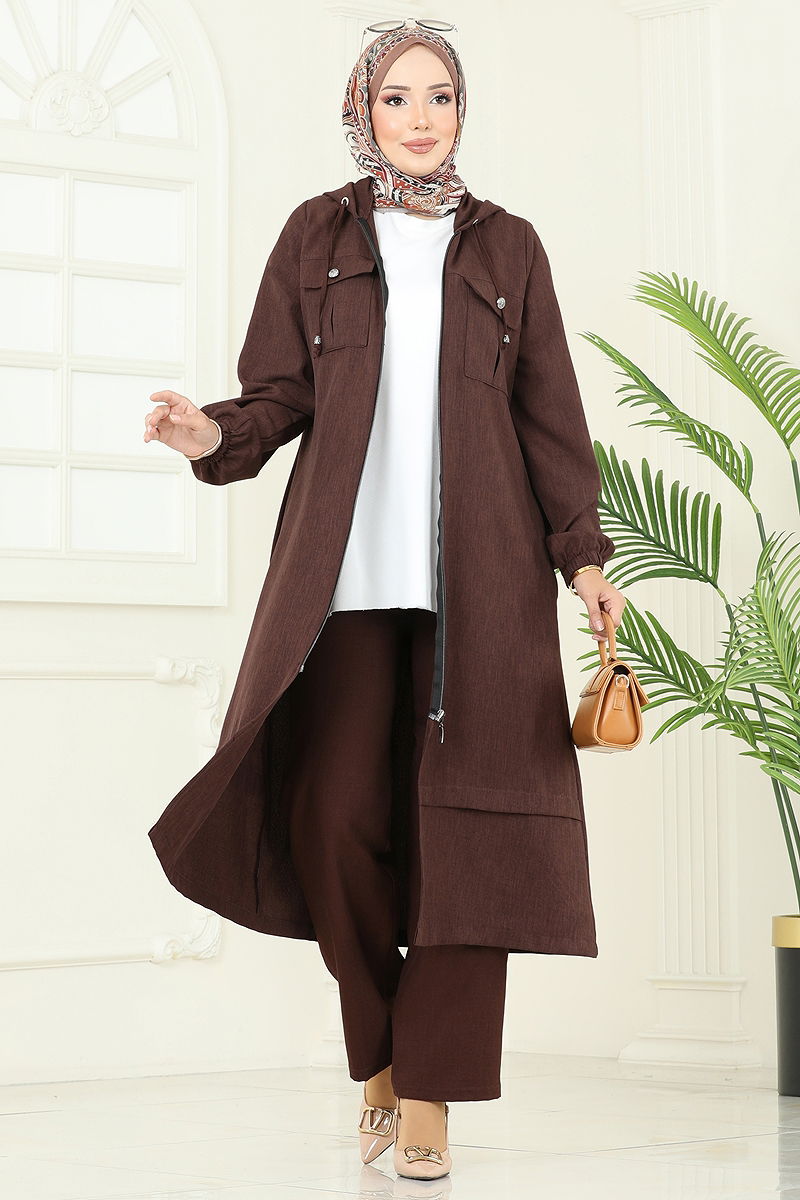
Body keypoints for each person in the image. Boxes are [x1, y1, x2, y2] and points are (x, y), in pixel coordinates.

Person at [144, 19, 625, 1182]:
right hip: (343, 586)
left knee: (471, 836)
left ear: (463, 111)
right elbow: (277, 393)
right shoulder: (317, 233)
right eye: (397, 96)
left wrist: (582, 556)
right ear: (362, 109)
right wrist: (212, 434)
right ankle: (380, 1055)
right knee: (333, 820)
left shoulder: (507, 246)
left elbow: (549, 417)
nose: (420, 116)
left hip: (484, 592)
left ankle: (430, 1100)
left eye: (439, 95)